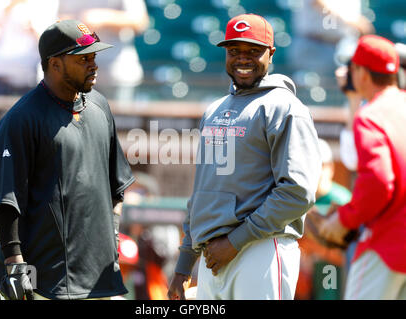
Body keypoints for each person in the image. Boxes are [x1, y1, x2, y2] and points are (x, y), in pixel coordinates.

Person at [167, 14, 322, 300]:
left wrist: (236, 241)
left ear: (271, 54)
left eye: (253, 51)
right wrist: (184, 265)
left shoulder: (286, 107)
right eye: (234, 51)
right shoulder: (214, 110)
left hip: (261, 248)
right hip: (213, 256)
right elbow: (202, 194)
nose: (243, 58)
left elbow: (297, 192)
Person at [0, 19, 135, 300]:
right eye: (83, 58)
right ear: (55, 63)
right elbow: (7, 203)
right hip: (45, 283)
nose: (93, 64)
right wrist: (15, 265)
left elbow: (117, 187)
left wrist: (113, 237)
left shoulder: (100, 106)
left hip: (99, 280)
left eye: (94, 56)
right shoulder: (21, 118)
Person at [319, 35, 406, 300]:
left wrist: (345, 219)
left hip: (386, 240)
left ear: (362, 73)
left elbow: (379, 182)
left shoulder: (371, 115)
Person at [58, 0, 149, 103]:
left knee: (116, 118)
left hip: (115, 74)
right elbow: (54, 19)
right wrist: (76, 23)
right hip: (74, 73)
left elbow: (140, 21)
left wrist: (103, 18)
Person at [297, 139, 352, 300]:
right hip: (304, 275)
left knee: (328, 269)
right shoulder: (300, 198)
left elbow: (349, 251)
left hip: (333, 271)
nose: (318, 171)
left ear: (331, 168)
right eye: (312, 166)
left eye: (322, 165)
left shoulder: (342, 199)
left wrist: (317, 249)